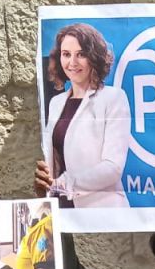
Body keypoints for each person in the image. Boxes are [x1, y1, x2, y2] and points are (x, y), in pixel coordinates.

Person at [43, 22, 131, 209]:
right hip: (59, 208)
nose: (72, 63)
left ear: (94, 57)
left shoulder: (113, 98)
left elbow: (113, 168)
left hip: (101, 210)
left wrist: (67, 183)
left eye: (81, 54)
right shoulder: (56, 103)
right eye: (66, 54)